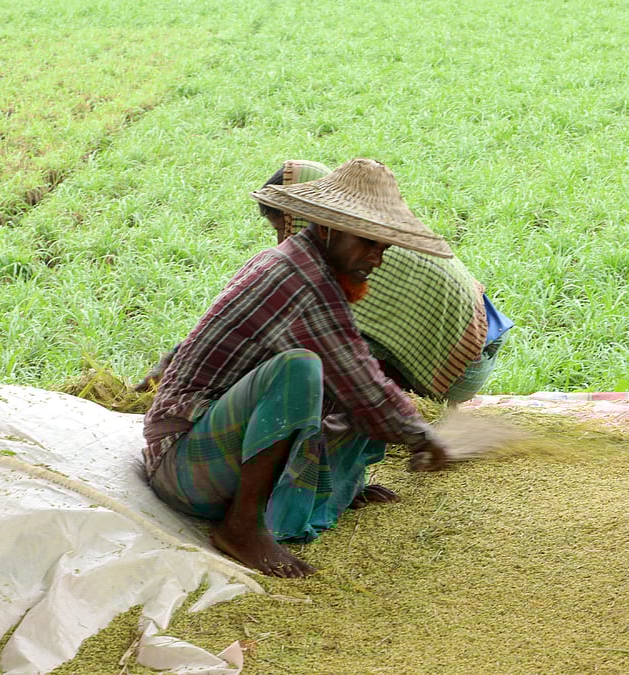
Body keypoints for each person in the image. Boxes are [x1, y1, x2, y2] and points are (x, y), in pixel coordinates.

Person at [142, 158, 453, 578]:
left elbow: (356, 375)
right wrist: (421, 436)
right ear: (328, 228)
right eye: (367, 242)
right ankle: (241, 526)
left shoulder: (302, 266)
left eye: (383, 247)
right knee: (303, 370)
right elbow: (361, 384)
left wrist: (408, 429)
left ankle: (333, 489)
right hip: (182, 462)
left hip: (210, 448)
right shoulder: (298, 278)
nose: (376, 259)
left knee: (352, 377)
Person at [261, 160, 513, 405]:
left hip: (462, 370)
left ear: (304, 215)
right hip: (484, 338)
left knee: (326, 355)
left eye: (283, 228)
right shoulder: (364, 225)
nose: (282, 239)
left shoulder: (349, 249)